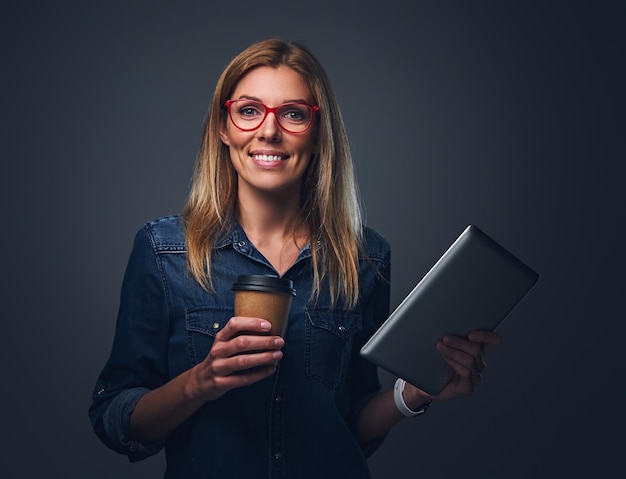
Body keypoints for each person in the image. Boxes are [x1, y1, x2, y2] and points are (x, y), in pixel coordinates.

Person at [88, 38, 502, 478]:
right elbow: (115, 420)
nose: (269, 130)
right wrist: (200, 382)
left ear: (319, 134)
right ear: (223, 129)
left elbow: (347, 430)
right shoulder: (163, 250)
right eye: (248, 111)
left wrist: (415, 393)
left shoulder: (365, 257)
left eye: (293, 114)